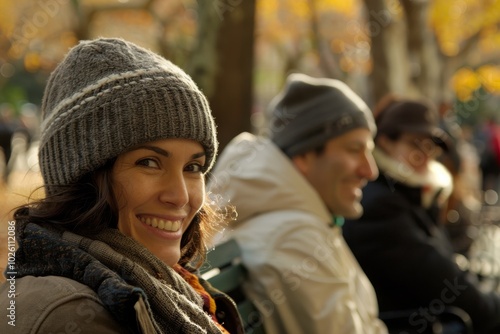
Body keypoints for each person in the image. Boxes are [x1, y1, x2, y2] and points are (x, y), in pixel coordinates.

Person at [0, 38, 243, 334]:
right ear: (83, 176)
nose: (180, 196)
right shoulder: (71, 315)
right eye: (149, 163)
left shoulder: (167, 286)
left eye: (192, 167)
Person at [209, 73, 387, 334]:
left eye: (368, 150)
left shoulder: (299, 220)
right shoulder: (295, 238)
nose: (370, 171)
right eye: (353, 149)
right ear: (303, 155)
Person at [343, 95, 500, 333]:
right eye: (415, 143)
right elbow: (448, 286)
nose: (425, 155)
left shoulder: (407, 195)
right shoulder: (381, 206)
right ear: (385, 142)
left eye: (430, 146)